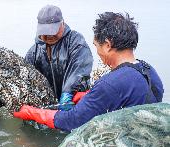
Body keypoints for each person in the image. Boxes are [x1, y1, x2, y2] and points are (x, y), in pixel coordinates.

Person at [14, 12, 164, 132]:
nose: (97, 51)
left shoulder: (109, 84)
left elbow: (70, 121)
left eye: (96, 45)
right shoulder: (148, 70)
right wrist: (88, 95)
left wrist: (31, 112)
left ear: (107, 45)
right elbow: (129, 94)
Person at [25, 5, 93, 111]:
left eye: (53, 30)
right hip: (49, 106)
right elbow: (25, 77)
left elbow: (80, 67)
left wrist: (68, 93)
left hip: (74, 102)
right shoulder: (34, 51)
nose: (50, 35)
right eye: (46, 31)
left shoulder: (75, 41)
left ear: (63, 23)